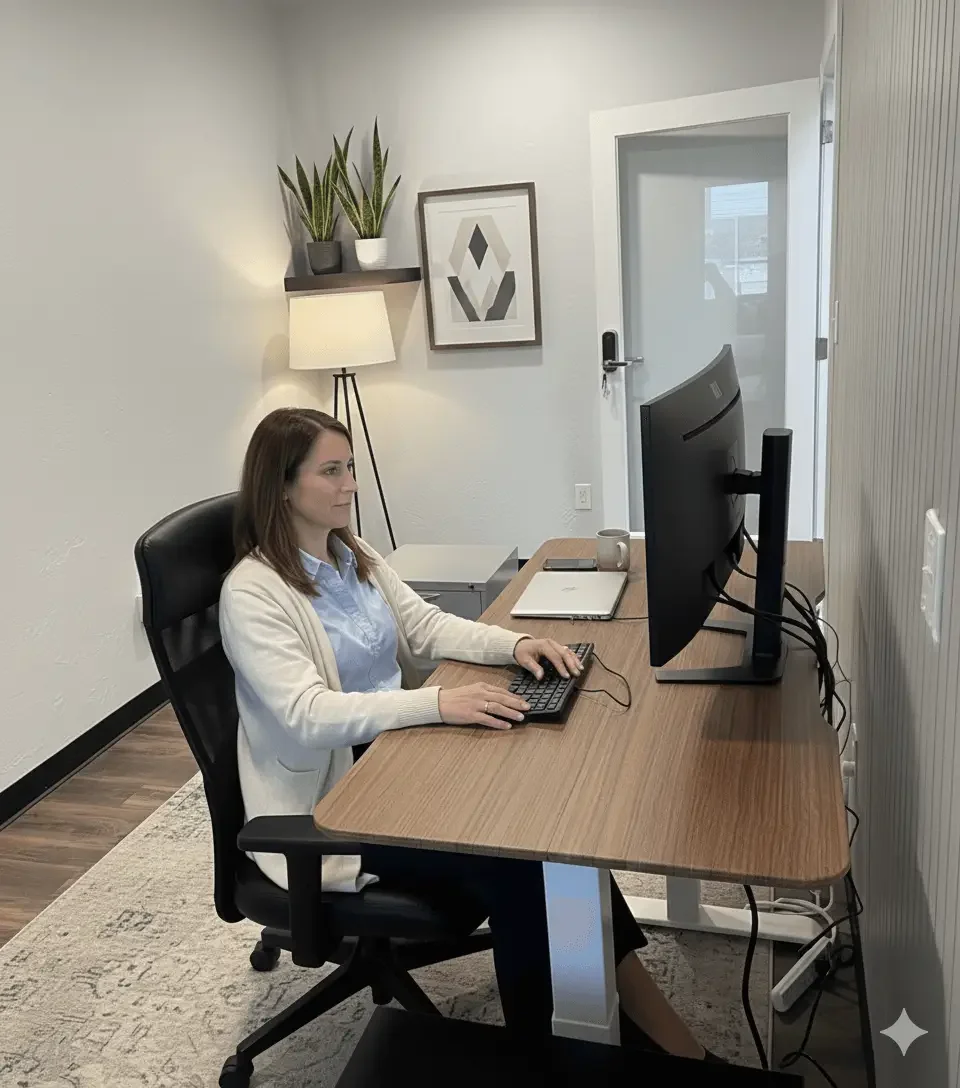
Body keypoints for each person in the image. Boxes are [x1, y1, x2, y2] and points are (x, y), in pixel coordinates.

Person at [220, 406, 721, 1060]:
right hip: (333, 804)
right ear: (283, 487)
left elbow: (427, 627)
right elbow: (309, 715)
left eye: (351, 469)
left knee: (550, 821)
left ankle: (639, 1022)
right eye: (332, 471)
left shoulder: (352, 552)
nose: (350, 485)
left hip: (397, 751)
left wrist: (517, 644)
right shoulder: (254, 594)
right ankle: (546, 1051)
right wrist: (436, 703)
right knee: (519, 860)